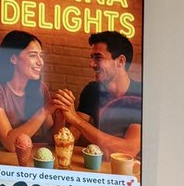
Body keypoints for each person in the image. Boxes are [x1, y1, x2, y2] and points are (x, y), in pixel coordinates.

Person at [52, 31, 141, 159]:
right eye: (92, 57)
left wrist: (74, 118)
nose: (91, 64)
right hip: (100, 168)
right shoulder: (92, 90)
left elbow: (127, 151)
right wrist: (62, 114)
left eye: (98, 58)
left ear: (120, 61)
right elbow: (70, 139)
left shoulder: (139, 95)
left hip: (134, 173)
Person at [0, 31, 62, 153]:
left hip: (24, 160)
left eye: (41, 56)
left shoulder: (40, 88)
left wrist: (60, 114)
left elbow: (51, 139)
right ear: (13, 59)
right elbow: (11, 144)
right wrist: (45, 110)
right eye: (33, 55)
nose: (40, 62)